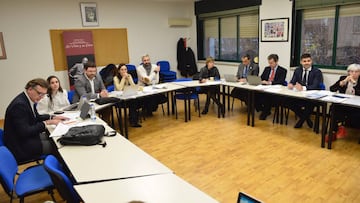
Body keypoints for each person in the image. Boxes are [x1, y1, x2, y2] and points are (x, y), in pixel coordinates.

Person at [4, 78, 67, 163]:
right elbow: (25, 132)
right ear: (30, 89)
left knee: (56, 138)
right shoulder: (19, 105)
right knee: (58, 146)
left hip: (25, 139)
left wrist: (52, 117)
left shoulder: (27, 99)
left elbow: (36, 117)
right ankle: (58, 172)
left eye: (43, 94)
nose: (41, 97)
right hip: (20, 147)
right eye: (39, 93)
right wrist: (46, 123)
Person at [287, 53, 323, 128]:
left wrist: (303, 88)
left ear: (311, 61)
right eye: (304, 61)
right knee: (288, 101)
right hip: (299, 95)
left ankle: (300, 121)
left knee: (310, 104)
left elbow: (315, 86)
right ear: (301, 62)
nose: (306, 63)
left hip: (311, 96)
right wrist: (290, 84)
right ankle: (307, 119)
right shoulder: (297, 70)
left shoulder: (317, 72)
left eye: (308, 61)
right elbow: (293, 81)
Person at [328, 64, 360, 140]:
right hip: (344, 103)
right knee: (334, 107)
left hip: (356, 106)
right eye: (351, 71)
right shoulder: (343, 78)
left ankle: (341, 127)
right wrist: (341, 83)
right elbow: (332, 89)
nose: (353, 74)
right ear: (348, 72)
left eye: (356, 72)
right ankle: (333, 132)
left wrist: (354, 84)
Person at [256, 54, 287, 120]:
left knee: (267, 97)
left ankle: (265, 112)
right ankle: (264, 110)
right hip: (265, 88)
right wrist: (261, 81)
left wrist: (270, 83)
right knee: (254, 94)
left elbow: (280, 81)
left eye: (272, 63)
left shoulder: (283, 70)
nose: (270, 65)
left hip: (275, 90)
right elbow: (262, 78)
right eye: (269, 63)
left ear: (276, 62)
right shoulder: (267, 69)